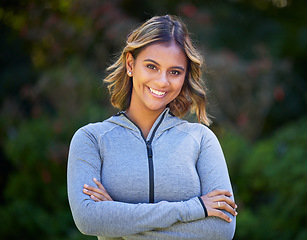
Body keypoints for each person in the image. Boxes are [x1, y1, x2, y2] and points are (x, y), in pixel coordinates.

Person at [67, 15, 237, 240]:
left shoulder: (201, 139)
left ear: (185, 76)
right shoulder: (92, 139)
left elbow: (222, 230)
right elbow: (89, 219)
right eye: (151, 66)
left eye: (175, 72)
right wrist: (194, 208)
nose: (162, 81)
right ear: (130, 64)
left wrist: (118, 221)